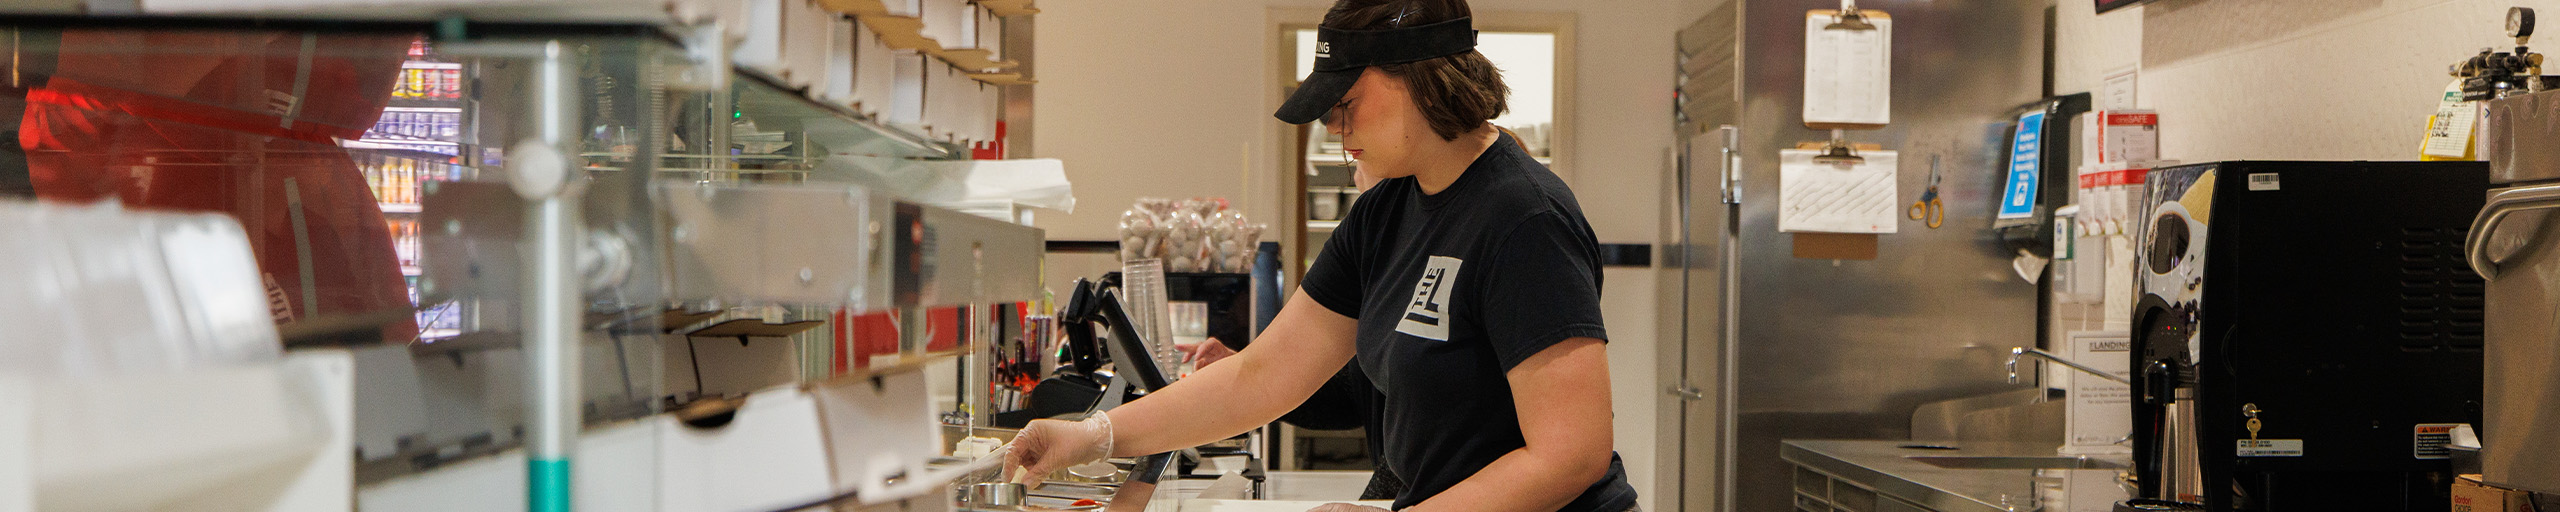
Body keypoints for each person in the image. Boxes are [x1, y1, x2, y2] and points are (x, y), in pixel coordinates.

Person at [1009, 0, 1638, 511]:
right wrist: (1095, 436)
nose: (1334, 128)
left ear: (1420, 80)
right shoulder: (1384, 211)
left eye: (1346, 104)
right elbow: (1263, 375)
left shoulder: (1523, 218)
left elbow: (1570, 455)